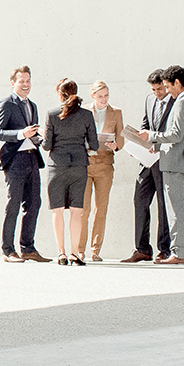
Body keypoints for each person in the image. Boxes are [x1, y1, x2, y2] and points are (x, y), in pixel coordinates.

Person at [137, 65, 184, 264]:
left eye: (167, 86)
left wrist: (152, 136)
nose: (167, 91)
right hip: (183, 162)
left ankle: (179, 252)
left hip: (174, 164)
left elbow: (176, 134)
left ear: (177, 83)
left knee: (175, 210)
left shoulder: (182, 102)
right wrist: (156, 146)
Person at [0, 65, 49, 262]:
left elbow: (32, 133)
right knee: (13, 205)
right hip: (14, 160)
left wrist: (39, 136)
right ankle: (8, 250)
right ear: (13, 83)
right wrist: (20, 134)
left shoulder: (32, 105)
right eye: (21, 81)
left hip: (32, 158)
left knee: (34, 204)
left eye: (28, 81)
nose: (25, 85)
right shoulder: (6, 104)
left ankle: (28, 248)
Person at [41, 78, 99, 265]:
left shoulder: (51, 114)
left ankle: (61, 253)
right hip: (79, 166)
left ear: (60, 94)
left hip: (57, 166)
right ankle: (75, 253)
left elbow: (47, 145)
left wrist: (42, 136)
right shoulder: (87, 115)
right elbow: (94, 144)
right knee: (77, 211)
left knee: (57, 211)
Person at [121, 71, 172, 263]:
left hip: (164, 158)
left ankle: (164, 250)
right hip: (146, 160)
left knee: (162, 205)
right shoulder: (150, 99)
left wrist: (156, 144)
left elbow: (173, 132)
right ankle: (142, 249)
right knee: (140, 201)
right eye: (153, 89)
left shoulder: (174, 102)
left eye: (160, 89)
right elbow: (145, 124)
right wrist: (136, 144)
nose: (157, 93)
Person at [81, 81, 122, 263]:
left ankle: (95, 250)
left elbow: (120, 137)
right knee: (83, 209)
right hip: (86, 164)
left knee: (101, 209)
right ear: (93, 97)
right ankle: (79, 250)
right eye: (100, 96)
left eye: (106, 95)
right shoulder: (83, 112)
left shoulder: (116, 113)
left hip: (105, 164)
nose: (104, 99)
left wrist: (116, 145)